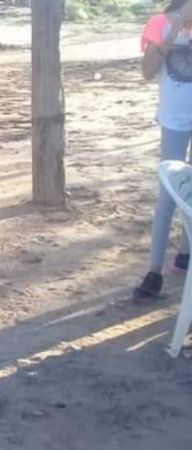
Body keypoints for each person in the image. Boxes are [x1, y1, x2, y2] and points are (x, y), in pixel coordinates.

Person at [134, 0, 192, 300]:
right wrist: (177, 27)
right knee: (168, 194)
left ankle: (185, 252)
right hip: (175, 121)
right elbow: (148, 71)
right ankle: (154, 271)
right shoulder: (160, 23)